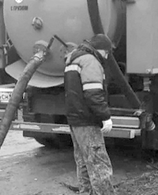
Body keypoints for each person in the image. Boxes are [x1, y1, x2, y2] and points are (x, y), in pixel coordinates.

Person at [64, 34, 116, 195]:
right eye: (107, 52)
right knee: (99, 164)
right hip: (87, 121)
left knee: (84, 164)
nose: (107, 56)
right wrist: (105, 117)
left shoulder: (73, 59)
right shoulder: (90, 62)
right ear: (101, 49)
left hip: (75, 120)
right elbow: (93, 93)